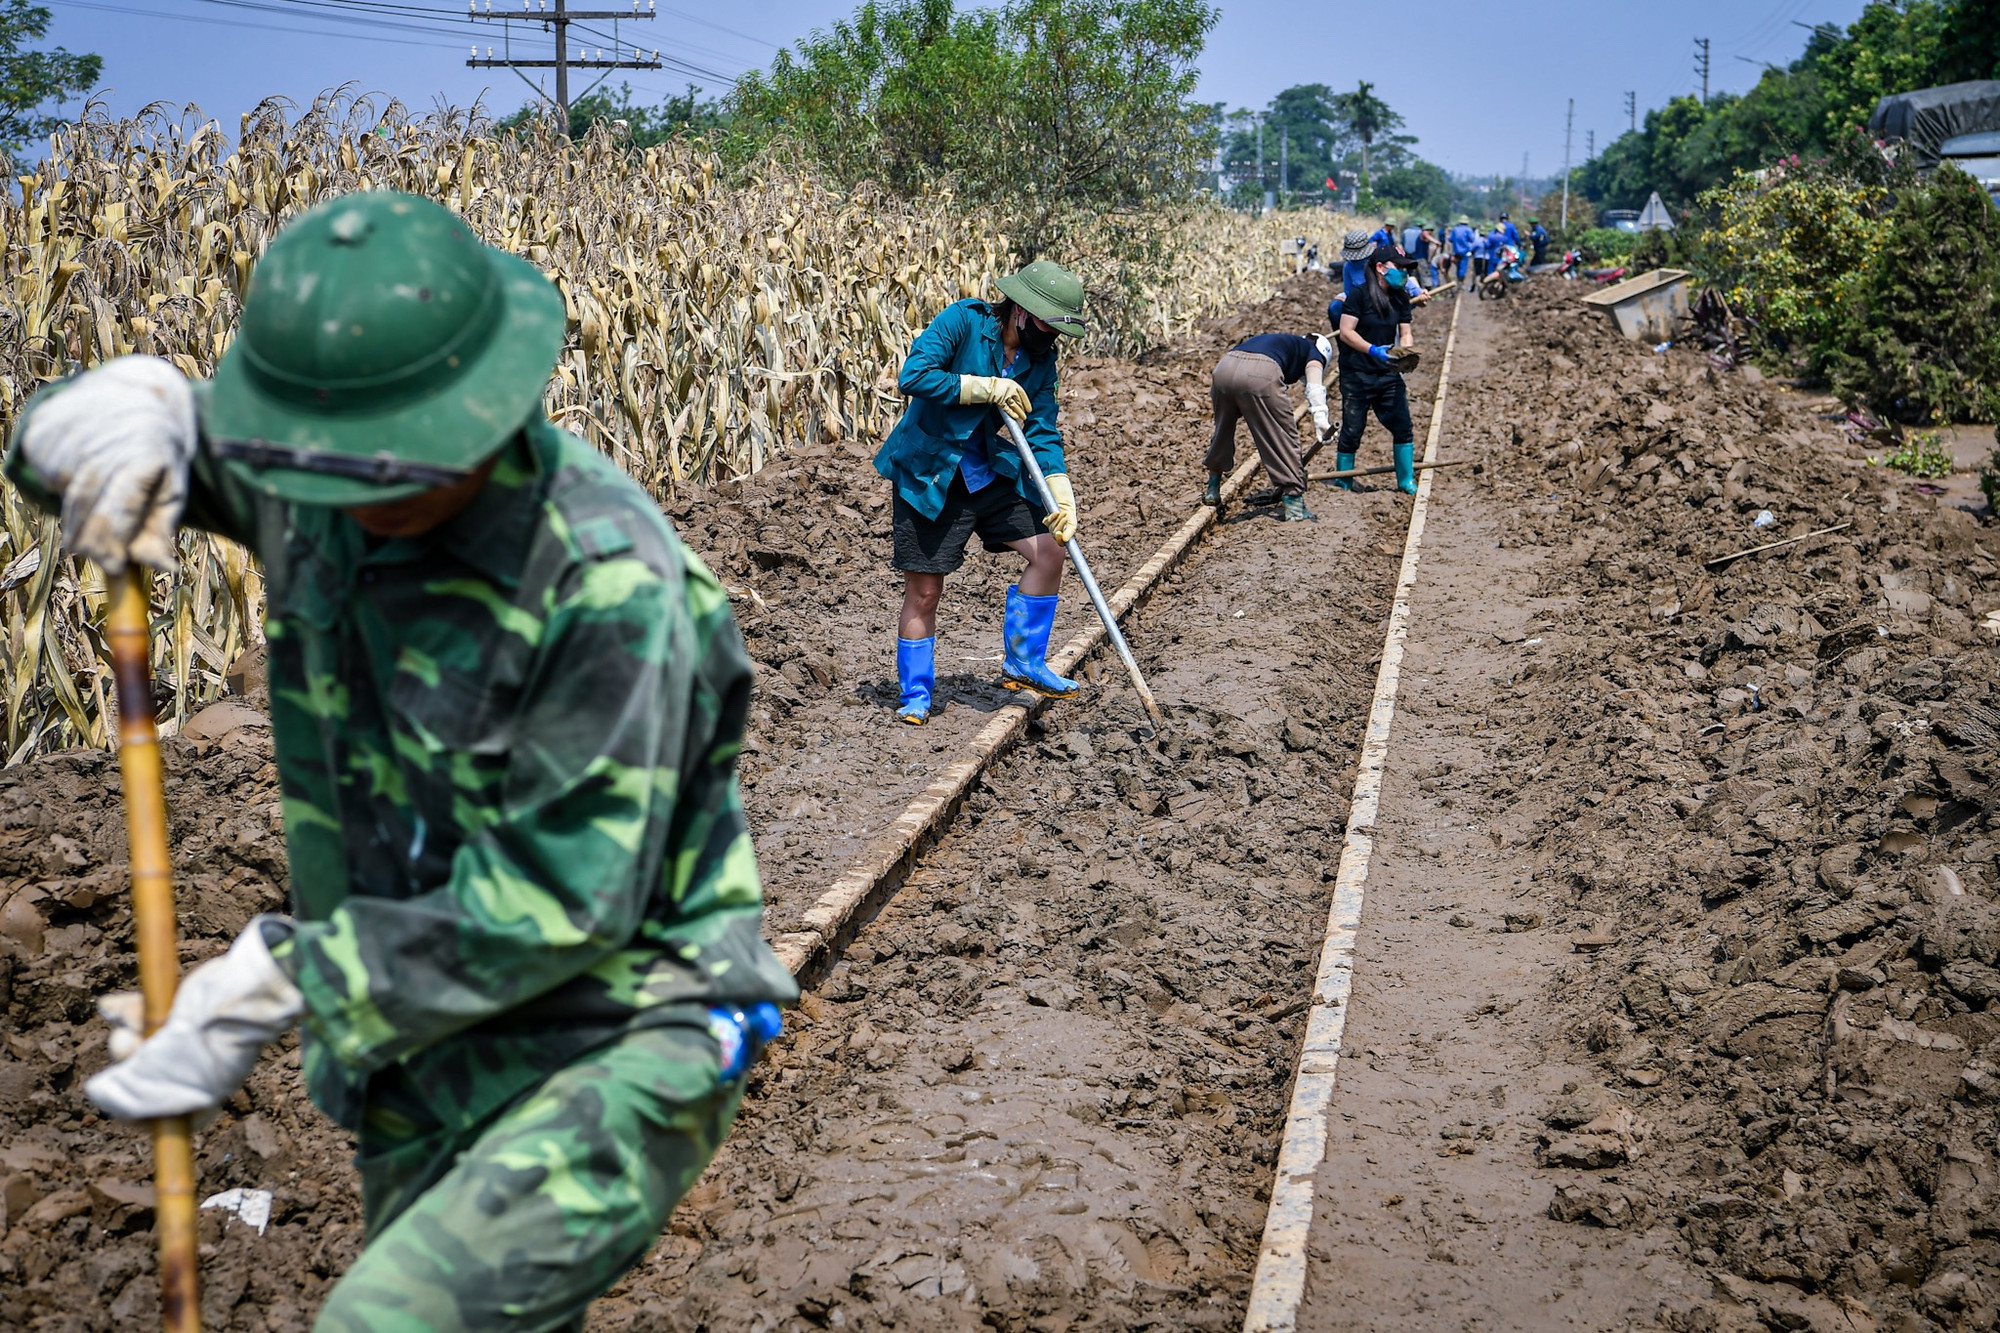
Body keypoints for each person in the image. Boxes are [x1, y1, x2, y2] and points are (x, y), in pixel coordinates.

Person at [12, 190, 799, 1330]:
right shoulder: (316, 470)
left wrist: (287, 980)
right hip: (423, 1036)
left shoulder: (605, 584)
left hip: (620, 1026)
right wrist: (83, 422)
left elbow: (563, 901)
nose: (346, 497)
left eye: (385, 471)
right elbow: (88, 462)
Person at [874, 260, 1087, 726]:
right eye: (1048, 326)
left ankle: (1024, 662)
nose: (1051, 339)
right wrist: (982, 387)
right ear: (1022, 312)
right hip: (931, 474)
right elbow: (914, 375)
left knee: (1050, 551)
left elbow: (1043, 429)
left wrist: (1060, 491)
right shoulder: (965, 321)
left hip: (986, 473)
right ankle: (915, 693)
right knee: (925, 591)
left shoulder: (1040, 359)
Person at [1201, 332, 1333, 523]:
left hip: (1225, 368)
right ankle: (1294, 503)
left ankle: (1213, 488)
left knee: (1223, 428)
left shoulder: (1283, 341)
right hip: (1260, 374)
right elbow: (1315, 388)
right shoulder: (1313, 353)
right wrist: (1321, 420)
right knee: (1281, 435)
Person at [1333, 248, 1418, 496]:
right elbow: (1346, 332)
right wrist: (1372, 350)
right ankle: (1343, 482)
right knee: (1352, 430)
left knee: (1403, 426)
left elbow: (1405, 331)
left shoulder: (1400, 298)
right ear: (1381, 268)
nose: (1402, 273)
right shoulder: (1359, 295)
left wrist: (1405, 352)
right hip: (1357, 374)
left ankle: (1406, 480)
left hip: (1388, 374)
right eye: (1398, 267)